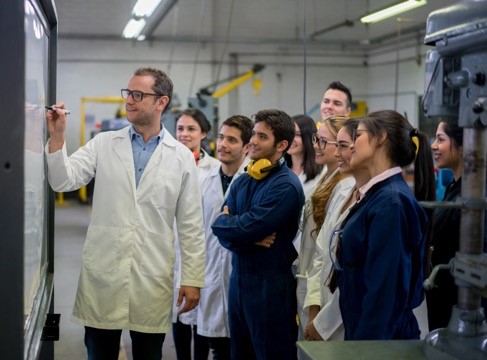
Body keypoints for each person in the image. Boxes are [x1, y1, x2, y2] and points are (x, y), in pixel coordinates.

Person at [45, 67, 206, 360]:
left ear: (161, 102)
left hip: (152, 273)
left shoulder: (181, 157)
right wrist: (57, 136)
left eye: (137, 94)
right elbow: (63, 180)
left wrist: (192, 278)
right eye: (127, 93)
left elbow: (191, 223)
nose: (128, 100)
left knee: (148, 353)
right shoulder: (104, 144)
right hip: (104, 272)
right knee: (100, 352)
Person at [211, 109, 305, 360]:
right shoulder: (243, 180)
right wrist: (248, 238)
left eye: (262, 136)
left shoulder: (285, 186)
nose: (252, 141)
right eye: (253, 133)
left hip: (270, 287)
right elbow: (218, 228)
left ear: (281, 145)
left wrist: (237, 229)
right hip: (239, 284)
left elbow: (240, 226)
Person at [335, 110, 435, 340]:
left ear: (380, 138)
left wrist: (364, 350)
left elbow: (385, 293)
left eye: (358, 135)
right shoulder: (377, 196)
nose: (351, 147)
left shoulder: (391, 204)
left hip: (381, 341)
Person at [304, 118, 370, 341]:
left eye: (344, 146)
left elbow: (355, 277)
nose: (340, 153)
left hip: (342, 318)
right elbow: (322, 254)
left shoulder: (384, 202)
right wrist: (314, 309)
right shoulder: (342, 189)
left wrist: (323, 323)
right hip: (323, 304)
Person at [197, 115, 254, 360]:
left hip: (241, 277)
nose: (223, 144)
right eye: (221, 137)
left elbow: (251, 229)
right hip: (210, 274)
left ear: (246, 147)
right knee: (217, 348)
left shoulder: (253, 181)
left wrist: (234, 230)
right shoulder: (203, 180)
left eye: (232, 140)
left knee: (244, 349)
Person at [295, 115, 354, 340]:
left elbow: (325, 251)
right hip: (310, 279)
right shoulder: (326, 177)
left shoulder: (344, 185)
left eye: (323, 142)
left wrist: (315, 310)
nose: (316, 146)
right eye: (316, 140)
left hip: (321, 290)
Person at [426, 120, 487, 330]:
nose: (434, 145)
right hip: (445, 304)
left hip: (461, 307)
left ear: (463, 147)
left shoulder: (475, 198)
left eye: (440, 139)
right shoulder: (455, 188)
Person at [173, 108, 219, 360]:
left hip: (205, 249)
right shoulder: (167, 163)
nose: (184, 134)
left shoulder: (215, 168)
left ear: (203, 134)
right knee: (177, 312)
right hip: (173, 246)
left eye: (191, 129)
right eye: (180, 128)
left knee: (202, 313)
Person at [285, 114, 323, 199]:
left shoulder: (322, 173)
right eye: (289, 134)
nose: (291, 139)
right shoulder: (280, 169)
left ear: (309, 138)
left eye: (298, 135)